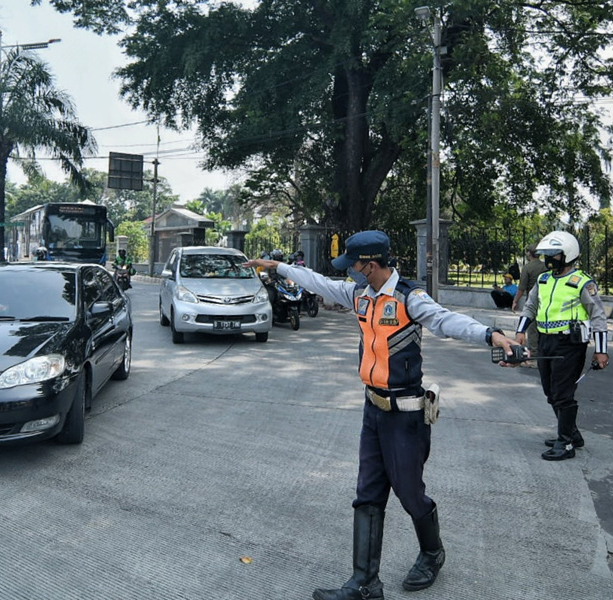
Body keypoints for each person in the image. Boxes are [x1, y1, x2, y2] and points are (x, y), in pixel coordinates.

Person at [243, 230, 519, 600]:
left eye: (353, 266)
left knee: (409, 493)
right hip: (372, 409)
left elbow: (446, 320)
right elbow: (321, 283)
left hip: (405, 415)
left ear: (370, 265)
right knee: (367, 494)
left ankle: (432, 552)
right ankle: (364, 585)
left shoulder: (408, 298)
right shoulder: (360, 294)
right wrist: (278, 267)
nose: (350, 273)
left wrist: (493, 336)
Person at [514, 231, 609, 461]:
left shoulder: (582, 283)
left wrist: (601, 350)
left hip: (569, 344)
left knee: (562, 394)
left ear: (568, 255)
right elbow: (531, 307)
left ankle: (565, 443)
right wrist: (520, 330)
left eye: (554, 254)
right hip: (546, 341)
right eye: (547, 255)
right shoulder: (544, 280)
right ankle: (571, 433)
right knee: (549, 392)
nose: (549, 259)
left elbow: (598, 317)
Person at [512, 244, 548, 356]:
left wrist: (515, 301)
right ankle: (543, 352)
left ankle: (533, 354)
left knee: (532, 329)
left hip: (532, 300)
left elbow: (521, 288)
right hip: (546, 300)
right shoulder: (545, 266)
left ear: (529, 253)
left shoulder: (527, 267)